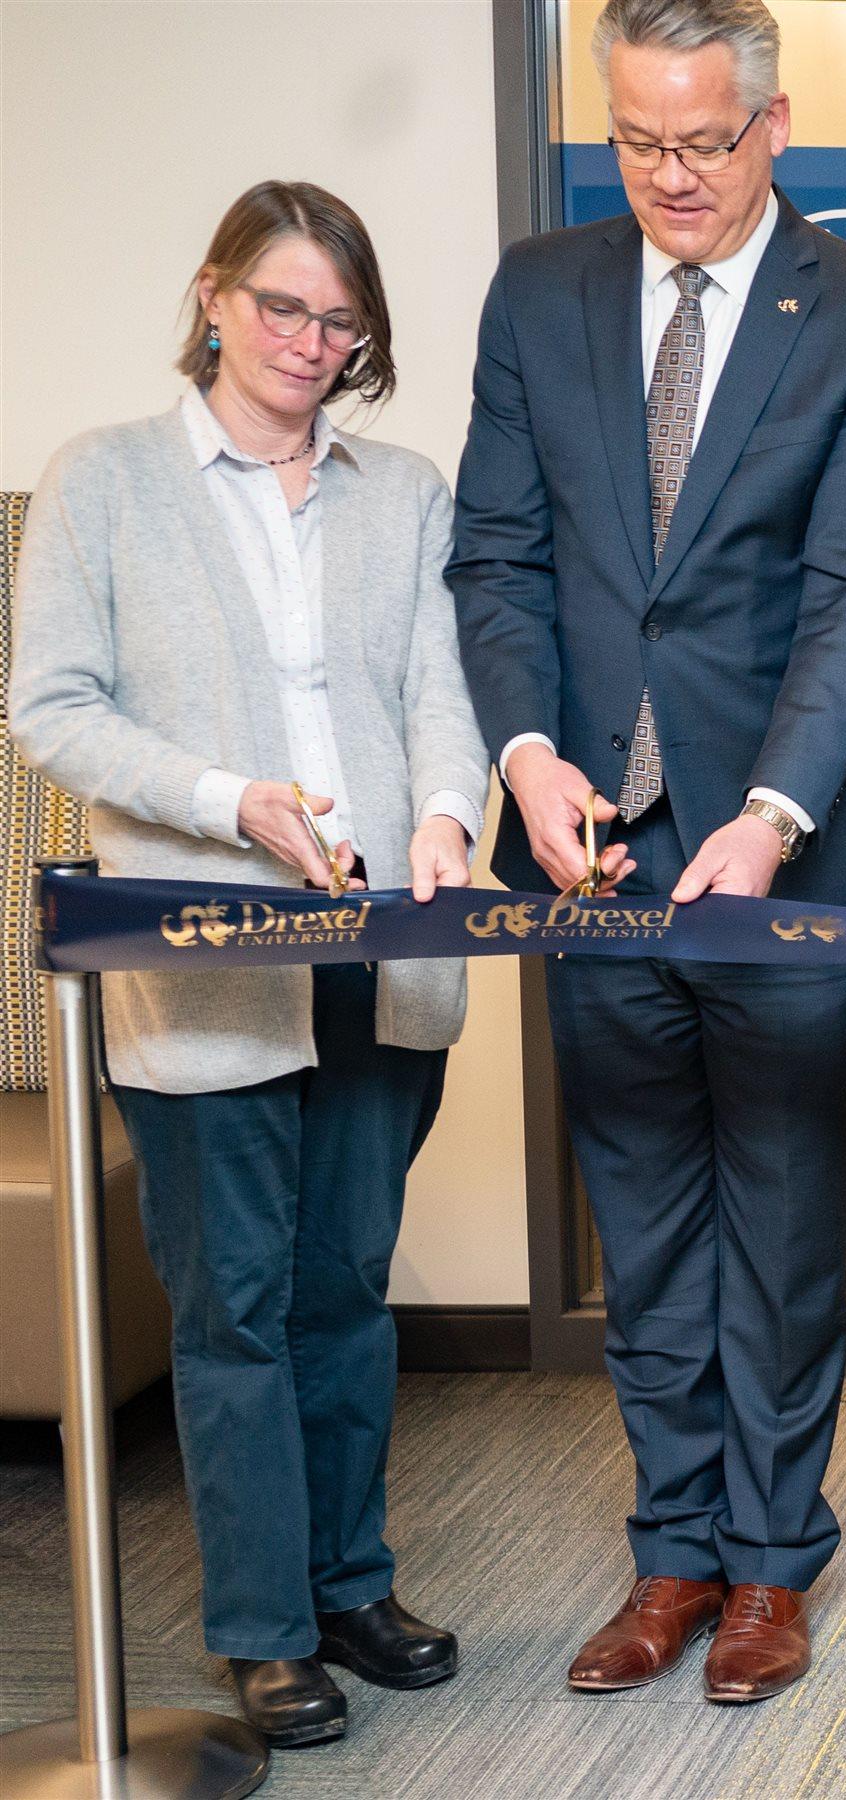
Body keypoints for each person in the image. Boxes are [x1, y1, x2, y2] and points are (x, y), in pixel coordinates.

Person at [446, 0, 846, 1705]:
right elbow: (499, 554)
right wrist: (525, 754)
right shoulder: (542, 291)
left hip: (783, 851)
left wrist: (772, 809)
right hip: (592, 844)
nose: (667, 175)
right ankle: (673, 1551)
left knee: (787, 1216)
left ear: (774, 126)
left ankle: (771, 1566)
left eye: (702, 143)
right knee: (645, 1217)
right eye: (636, 141)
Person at [8, 180, 486, 1748]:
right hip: (203, 948)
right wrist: (232, 805)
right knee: (235, 1311)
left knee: (346, 1289)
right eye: (283, 306)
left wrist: (437, 819)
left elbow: (438, 688)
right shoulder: (106, 481)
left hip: (377, 950)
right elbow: (51, 706)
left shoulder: (403, 489)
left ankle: (353, 1582)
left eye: (341, 320)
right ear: (213, 297)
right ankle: (267, 1628)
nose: (310, 341)